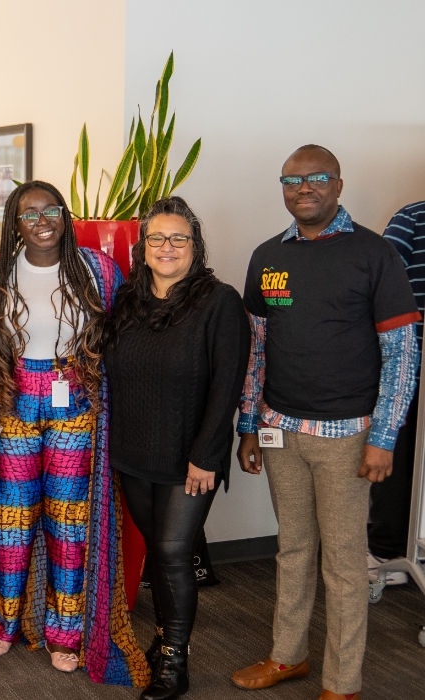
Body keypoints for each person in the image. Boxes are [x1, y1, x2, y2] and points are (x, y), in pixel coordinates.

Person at [232, 145, 420, 700]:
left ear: (338, 184)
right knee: (292, 549)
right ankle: (288, 656)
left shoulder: (376, 254)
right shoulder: (268, 256)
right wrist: (248, 424)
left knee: (342, 564)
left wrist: (384, 439)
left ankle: (343, 683)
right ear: (283, 188)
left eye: (316, 178)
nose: (303, 188)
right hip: (281, 431)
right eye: (292, 180)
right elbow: (256, 352)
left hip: (349, 438)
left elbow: (403, 355)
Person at [0, 180, 149, 688]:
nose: (42, 219)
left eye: (51, 209)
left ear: (65, 215)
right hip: (14, 402)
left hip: (76, 399)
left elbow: (127, 334)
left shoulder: (97, 269)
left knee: (69, 520)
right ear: (15, 222)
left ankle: (65, 633)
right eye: (30, 213)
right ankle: (4, 622)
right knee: (11, 515)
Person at [104, 196, 249, 700]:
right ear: (143, 248)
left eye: (178, 238)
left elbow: (227, 384)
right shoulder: (127, 300)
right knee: (159, 551)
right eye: (157, 238)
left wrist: (207, 455)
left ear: (195, 246)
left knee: (170, 552)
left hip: (190, 458)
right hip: (133, 452)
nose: (167, 247)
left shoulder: (220, 302)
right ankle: (165, 633)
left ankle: (173, 660)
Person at [369, 200, 425, 584]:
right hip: (412, 362)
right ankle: (388, 551)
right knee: (399, 459)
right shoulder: (413, 218)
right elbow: (381, 281)